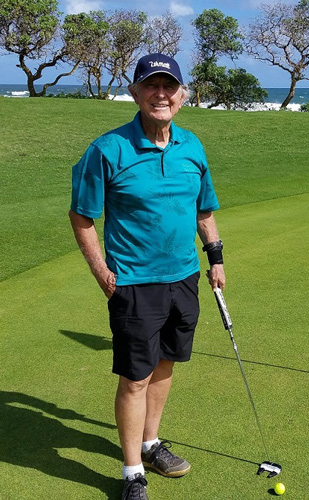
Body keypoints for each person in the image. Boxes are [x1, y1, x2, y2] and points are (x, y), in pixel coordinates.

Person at [69, 53, 226, 500]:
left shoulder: (191, 146)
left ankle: (151, 443)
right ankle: (132, 472)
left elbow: (204, 209)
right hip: (134, 283)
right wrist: (102, 271)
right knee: (135, 376)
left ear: (182, 95)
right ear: (135, 93)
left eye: (169, 87)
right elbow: (82, 217)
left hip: (184, 277)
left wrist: (215, 257)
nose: (161, 94)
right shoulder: (107, 149)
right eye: (151, 86)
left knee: (165, 364)